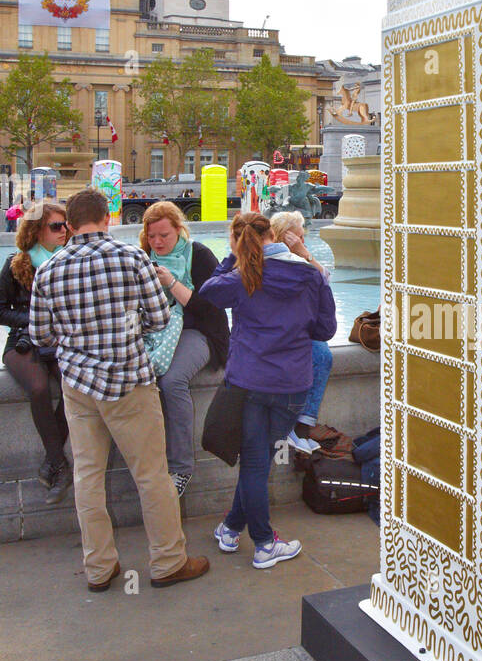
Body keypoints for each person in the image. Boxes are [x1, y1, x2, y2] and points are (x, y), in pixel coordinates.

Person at [28, 187, 209, 591]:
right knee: (152, 476)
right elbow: (161, 318)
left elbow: (41, 335)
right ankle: (167, 561)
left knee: (88, 478)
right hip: (129, 382)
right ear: (108, 219)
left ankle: (99, 568)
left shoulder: (50, 270)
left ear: (71, 227)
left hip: (78, 386)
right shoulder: (132, 258)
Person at [198, 211, 336, 568]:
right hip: (291, 385)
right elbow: (325, 330)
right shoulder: (311, 276)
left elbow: (208, 292)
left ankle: (240, 533)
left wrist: (232, 256)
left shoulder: (244, 276)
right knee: (259, 464)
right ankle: (253, 539)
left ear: (241, 240)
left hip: (249, 382)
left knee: (256, 465)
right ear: (273, 234)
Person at [140, 202, 230, 495]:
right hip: (157, 332)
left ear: (179, 230)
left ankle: (181, 468)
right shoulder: (142, 258)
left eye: (164, 235)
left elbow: (215, 308)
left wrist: (172, 284)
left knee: (172, 380)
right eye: (152, 236)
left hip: (199, 330)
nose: (158, 242)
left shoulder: (199, 255)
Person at [0, 200, 72, 502]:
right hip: (23, 341)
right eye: (56, 226)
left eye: (66, 225)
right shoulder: (18, 263)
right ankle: (58, 463)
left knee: (74, 388)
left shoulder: (72, 261)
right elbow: (1, 310)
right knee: (40, 387)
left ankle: (51, 461)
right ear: (36, 230)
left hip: (61, 341)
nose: (64, 231)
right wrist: (33, 320)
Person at [269, 210, 334, 455]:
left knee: (322, 354)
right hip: (280, 333)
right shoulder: (273, 260)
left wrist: (305, 255)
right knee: (318, 354)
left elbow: (325, 280)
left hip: (300, 329)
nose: (302, 241)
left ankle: (303, 425)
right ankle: (294, 426)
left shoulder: (302, 260)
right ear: (285, 238)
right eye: (298, 237)